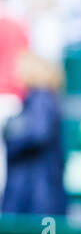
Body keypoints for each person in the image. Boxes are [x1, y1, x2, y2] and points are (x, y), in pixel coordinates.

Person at [1, 52, 66, 217]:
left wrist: (10, 131)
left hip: (37, 195)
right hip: (37, 193)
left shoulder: (41, 97)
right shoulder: (41, 98)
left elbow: (39, 133)